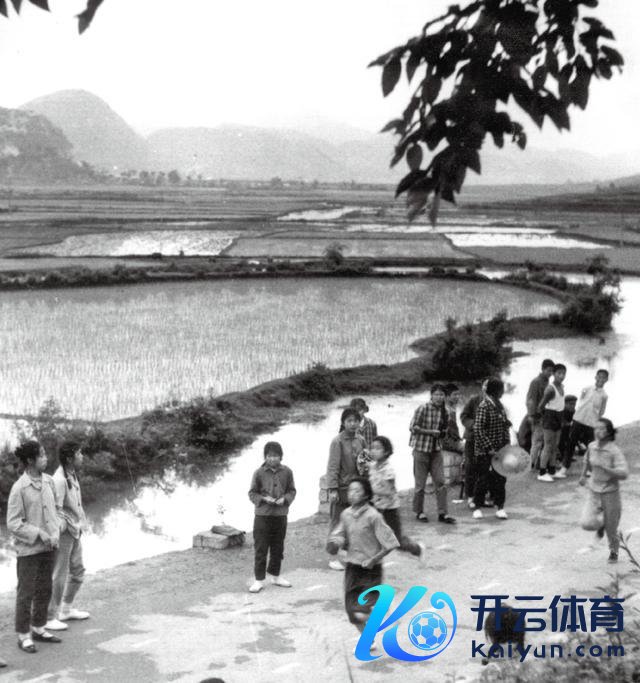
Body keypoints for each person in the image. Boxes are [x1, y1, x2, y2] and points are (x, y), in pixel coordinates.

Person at [6, 441, 62, 653]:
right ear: (30, 460)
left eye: (45, 454)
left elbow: (57, 510)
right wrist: (39, 533)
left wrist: (56, 532)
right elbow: (13, 523)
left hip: (50, 546)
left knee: (45, 588)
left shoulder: (49, 481)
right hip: (29, 550)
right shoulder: (19, 488)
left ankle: (39, 628)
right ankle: (23, 635)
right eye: (42, 455)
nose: (46, 458)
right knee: (26, 593)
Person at [326, 477, 399, 635]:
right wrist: (335, 543)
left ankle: (384, 607)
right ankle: (368, 640)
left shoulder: (374, 516)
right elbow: (337, 536)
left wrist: (373, 559)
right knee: (352, 614)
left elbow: (391, 543)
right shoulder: (346, 514)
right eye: (350, 490)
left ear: (366, 495)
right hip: (352, 568)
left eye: (357, 491)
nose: (352, 494)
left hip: (371, 570)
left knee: (362, 611)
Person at [46, 439, 90, 631]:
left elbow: (75, 505)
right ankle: (49, 617)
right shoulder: (59, 480)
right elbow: (55, 509)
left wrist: (81, 523)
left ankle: (66, 609)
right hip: (64, 533)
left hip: (75, 530)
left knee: (78, 571)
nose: (82, 456)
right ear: (70, 458)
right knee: (59, 575)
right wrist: (65, 525)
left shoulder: (71, 474)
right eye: (79, 453)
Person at [248, 441, 296, 593]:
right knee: (261, 548)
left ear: (281, 457)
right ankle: (259, 580)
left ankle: (276, 576)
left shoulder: (287, 472)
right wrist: (264, 499)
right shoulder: (258, 473)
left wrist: (285, 499)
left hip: (280, 515)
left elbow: (292, 491)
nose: (272, 459)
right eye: (269, 456)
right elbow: (252, 493)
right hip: (262, 516)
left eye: (275, 456)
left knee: (278, 547)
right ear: (265, 457)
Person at [579, 418, 628, 564]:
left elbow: (624, 473)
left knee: (611, 528)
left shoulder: (614, 451)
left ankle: (614, 551)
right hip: (594, 490)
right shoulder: (591, 446)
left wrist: (606, 469)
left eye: (601, 429)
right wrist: (583, 475)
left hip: (610, 492)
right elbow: (586, 460)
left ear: (608, 432)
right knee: (586, 523)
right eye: (596, 428)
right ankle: (601, 525)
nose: (597, 431)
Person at [368, 436, 425, 561]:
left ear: (386, 452)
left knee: (396, 541)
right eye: (372, 448)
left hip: (389, 509)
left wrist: (371, 490)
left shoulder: (388, 470)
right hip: (376, 507)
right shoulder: (372, 466)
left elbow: (389, 491)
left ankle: (417, 549)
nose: (373, 451)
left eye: (378, 448)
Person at [409, 384, 455, 524]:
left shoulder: (446, 412)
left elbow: (444, 432)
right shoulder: (423, 408)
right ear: (431, 395)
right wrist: (430, 432)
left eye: (442, 395)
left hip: (436, 450)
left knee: (440, 481)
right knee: (420, 484)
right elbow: (413, 427)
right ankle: (419, 512)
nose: (439, 397)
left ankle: (443, 513)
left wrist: (442, 434)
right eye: (437, 394)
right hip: (421, 449)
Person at [326, 408, 366, 570]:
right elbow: (332, 467)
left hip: (357, 489)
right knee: (337, 523)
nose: (353, 424)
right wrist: (333, 489)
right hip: (342, 489)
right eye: (349, 421)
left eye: (355, 420)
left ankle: (349, 554)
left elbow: (365, 462)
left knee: (355, 522)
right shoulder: (337, 442)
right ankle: (332, 557)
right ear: (343, 423)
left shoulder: (361, 440)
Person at [472, 377, 511, 520]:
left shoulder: (500, 406)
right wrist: (489, 448)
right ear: (494, 390)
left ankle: (500, 507)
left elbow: (505, 427)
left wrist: (507, 446)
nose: (503, 392)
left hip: (500, 450)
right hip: (484, 452)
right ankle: (477, 507)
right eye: (501, 389)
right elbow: (478, 429)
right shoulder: (484, 406)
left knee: (501, 479)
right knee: (483, 479)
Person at [567, 369, 609, 470]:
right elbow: (581, 401)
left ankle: (590, 469)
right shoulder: (586, 389)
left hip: (591, 423)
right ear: (596, 377)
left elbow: (601, 411)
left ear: (606, 380)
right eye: (599, 376)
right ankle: (564, 468)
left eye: (604, 377)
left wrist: (595, 419)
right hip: (579, 419)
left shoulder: (604, 395)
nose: (601, 379)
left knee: (591, 446)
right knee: (571, 443)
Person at [460, 379, 488, 509]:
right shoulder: (474, 400)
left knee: (484, 469)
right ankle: (470, 497)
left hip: (486, 441)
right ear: (482, 387)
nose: (487, 388)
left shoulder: (496, 403)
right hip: (472, 439)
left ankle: (481, 498)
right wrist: (474, 425)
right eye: (486, 385)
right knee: (470, 467)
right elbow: (463, 416)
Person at [537, 363, 567, 482]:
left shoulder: (562, 386)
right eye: (559, 373)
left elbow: (559, 403)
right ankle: (542, 472)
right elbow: (540, 407)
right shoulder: (550, 389)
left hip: (558, 418)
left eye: (564, 373)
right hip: (550, 418)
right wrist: (547, 417)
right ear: (554, 374)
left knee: (555, 446)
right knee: (548, 446)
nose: (562, 376)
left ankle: (552, 470)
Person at [525, 358, 554, 469]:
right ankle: (531, 463)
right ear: (542, 369)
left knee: (544, 440)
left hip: (545, 415)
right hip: (538, 416)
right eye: (548, 370)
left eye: (552, 371)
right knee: (537, 441)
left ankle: (538, 463)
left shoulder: (547, 382)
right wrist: (532, 415)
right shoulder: (536, 382)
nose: (550, 373)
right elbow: (530, 399)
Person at [556, 394, 577, 478]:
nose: (573, 406)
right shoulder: (561, 410)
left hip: (567, 430)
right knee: (561, 443)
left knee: (569, 442)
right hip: (558, 430)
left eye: (574, 404)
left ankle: (565, 458)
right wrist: (570, 424)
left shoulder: (573, 411)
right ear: (565, 403)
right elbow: (562, 422)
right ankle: (560, 459)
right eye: (571, 404)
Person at [442, 383, 464, 454]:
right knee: (470, 449)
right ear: (447, 396)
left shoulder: (451, 408)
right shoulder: (447, 410)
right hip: (447, 442)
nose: (458, 397)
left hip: (451, 440)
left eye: (458, 394)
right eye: (455, 394)